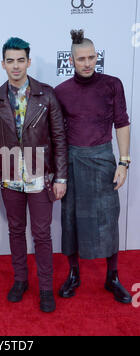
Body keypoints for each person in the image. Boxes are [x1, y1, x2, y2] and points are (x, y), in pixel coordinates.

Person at [0, 37, 67, 312]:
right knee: (16, 231)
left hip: (39, 177)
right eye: (10, 61)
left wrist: (60, 178)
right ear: (3, 64)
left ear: (28, 62)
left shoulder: (46, 94)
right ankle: (20, 280)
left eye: (20, 60)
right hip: (9, 179)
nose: (16, 66)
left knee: (42, 234)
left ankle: (46, 287)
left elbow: (59, 137)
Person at [55, 30, 132, 304]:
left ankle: (112, 277)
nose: (87, 63)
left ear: (97, 57)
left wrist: (124, 161)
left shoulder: (113, 84)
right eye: (81, 59)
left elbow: (122, 122)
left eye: (91, 57)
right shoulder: (61, 91)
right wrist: (59, 173)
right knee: (71, 220)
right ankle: (74, 274)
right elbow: (58, 136)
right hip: (74, 161)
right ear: (71, 60)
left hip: (103, 159)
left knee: (109, 220)